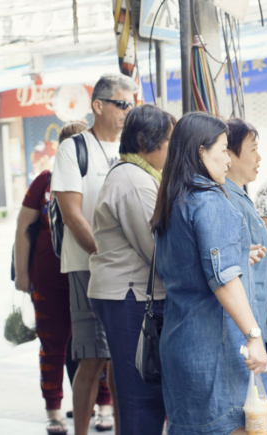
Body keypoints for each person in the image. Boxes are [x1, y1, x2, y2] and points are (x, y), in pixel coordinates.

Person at [151, 113, 267, 435]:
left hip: (181, 344)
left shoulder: (174, 200)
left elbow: (187, 263)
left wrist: (238, 253)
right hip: (215, 349)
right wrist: (254, 336)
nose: (227, 161)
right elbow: (225, 282)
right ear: (200, 152)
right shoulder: (208, 201)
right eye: (222, 150)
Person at [51, 74, 136, 434]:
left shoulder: (130, 148)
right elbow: (72, 214)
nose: (126, 112)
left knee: (123, 356)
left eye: (131, 105)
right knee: (93, 356)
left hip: (128, 270)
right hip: (89, 266)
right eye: (121, 104)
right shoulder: (73, 149)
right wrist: (104, 256)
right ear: (98, 106)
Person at [89, 105, 176, 435]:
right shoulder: (133, 180)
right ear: (147, 142)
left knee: (144, 391)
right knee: (141, 394)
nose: (172, 148)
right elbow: (156, 249)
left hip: (132, 295)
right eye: (169, 140)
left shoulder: (137, 174)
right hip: (129, 296)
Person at [14, 121, 100, 435]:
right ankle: (53, 410)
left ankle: (102, 407)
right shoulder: (45, 181)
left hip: (90, 274)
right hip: (48, 278)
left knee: (96, 345)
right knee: (53, 344)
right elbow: (23, 229)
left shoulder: (97, 176)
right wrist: (22, 275)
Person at [223, 118, 267, 423]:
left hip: (252, 321)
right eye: (252, 150)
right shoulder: (226, 200)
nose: (259, 158)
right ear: (227, 155)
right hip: (242, 328)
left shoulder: (240, 195)